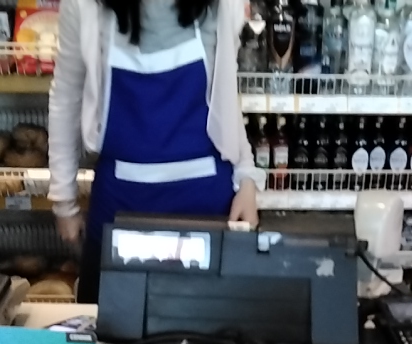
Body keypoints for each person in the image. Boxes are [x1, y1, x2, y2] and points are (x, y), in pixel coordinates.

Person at [48, 0, 265, 302]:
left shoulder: (223, 5)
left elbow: (226, 99)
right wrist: (64, 199)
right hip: (119, 205)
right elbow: (65, 96)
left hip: (208, 204)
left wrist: (246, 176)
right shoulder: (84, 6)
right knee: (111, 321)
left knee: (208, 321)